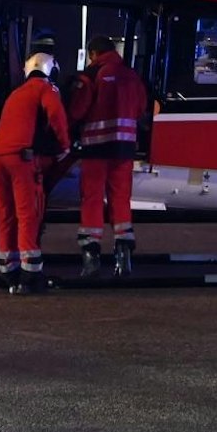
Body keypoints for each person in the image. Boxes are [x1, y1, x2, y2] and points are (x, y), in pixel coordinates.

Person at [67, 35, 149, 277]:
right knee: (121, 198)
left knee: (92, 198)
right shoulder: (131, 76)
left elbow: (77, 110)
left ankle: (91, 256)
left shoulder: (91, 75)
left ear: (93, 53)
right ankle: (123, 256)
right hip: (124, 148)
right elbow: (141, 108)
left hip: (95, 148)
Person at [0, 52, 71, 293]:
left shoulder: (16, 93)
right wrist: (64, 145)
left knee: (5, 212)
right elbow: (56, 115)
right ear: (51, 71)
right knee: (28, 213)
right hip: (21, 157)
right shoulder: (46, 89)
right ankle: (30, 273)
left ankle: (8, 269)